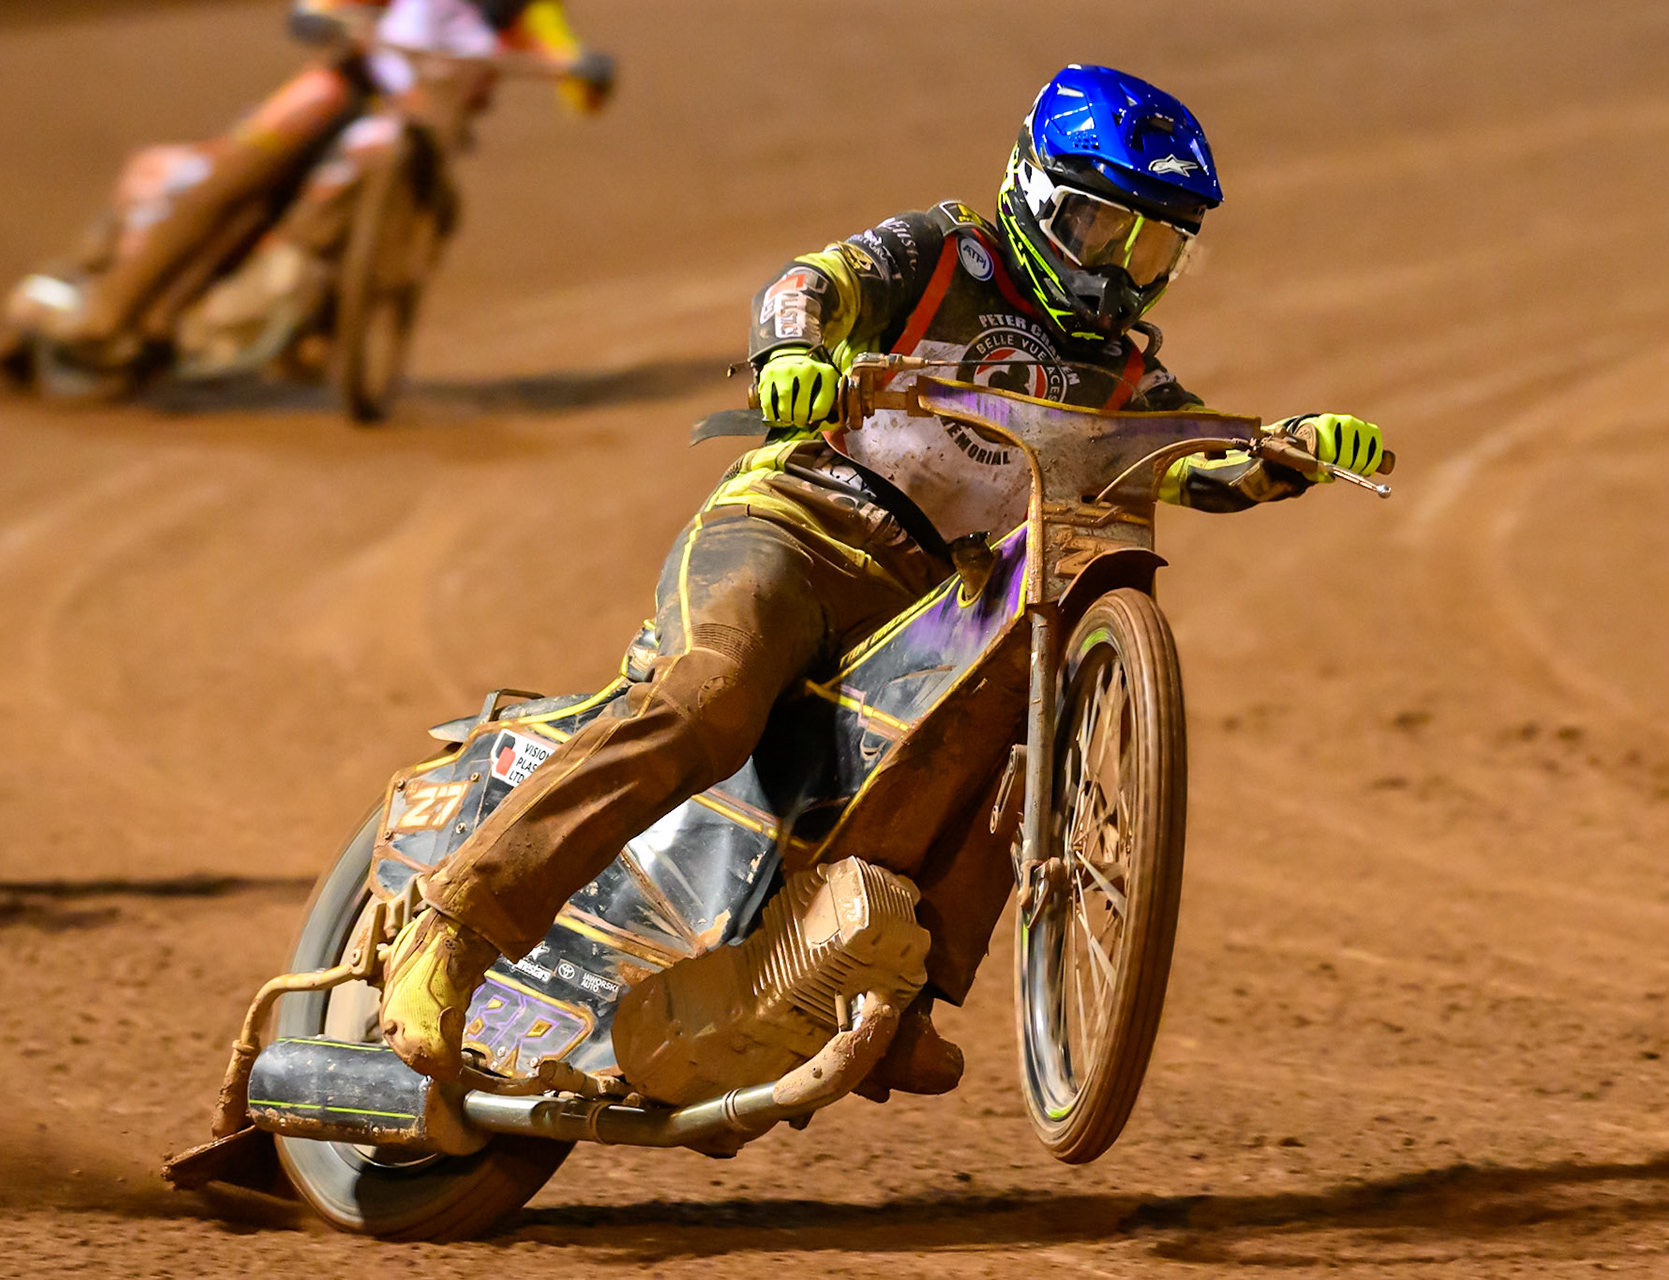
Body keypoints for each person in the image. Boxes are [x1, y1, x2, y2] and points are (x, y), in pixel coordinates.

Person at [376, 65, 1388, 1096]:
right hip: (798, 527)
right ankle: (453, 930)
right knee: (709, 696)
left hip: (928, 603)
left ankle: (891, 985)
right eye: (1101, 230)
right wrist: (792, 353)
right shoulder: (943, 254)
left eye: (1154, 246)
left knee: (1025, 717)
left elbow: (1186, 456)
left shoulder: (1124, 376)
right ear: (1037, 194)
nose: (1120, 272)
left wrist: (1281, 451)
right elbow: (806, 285)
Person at [4, 0, 613, 378]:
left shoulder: (528, 10)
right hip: (347, 88)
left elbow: (573, 77)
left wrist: (588, 77)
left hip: (422, 130)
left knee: (432, 208)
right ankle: (110, 310)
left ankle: (321, 327)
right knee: (248, 157)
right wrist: (319, 10)